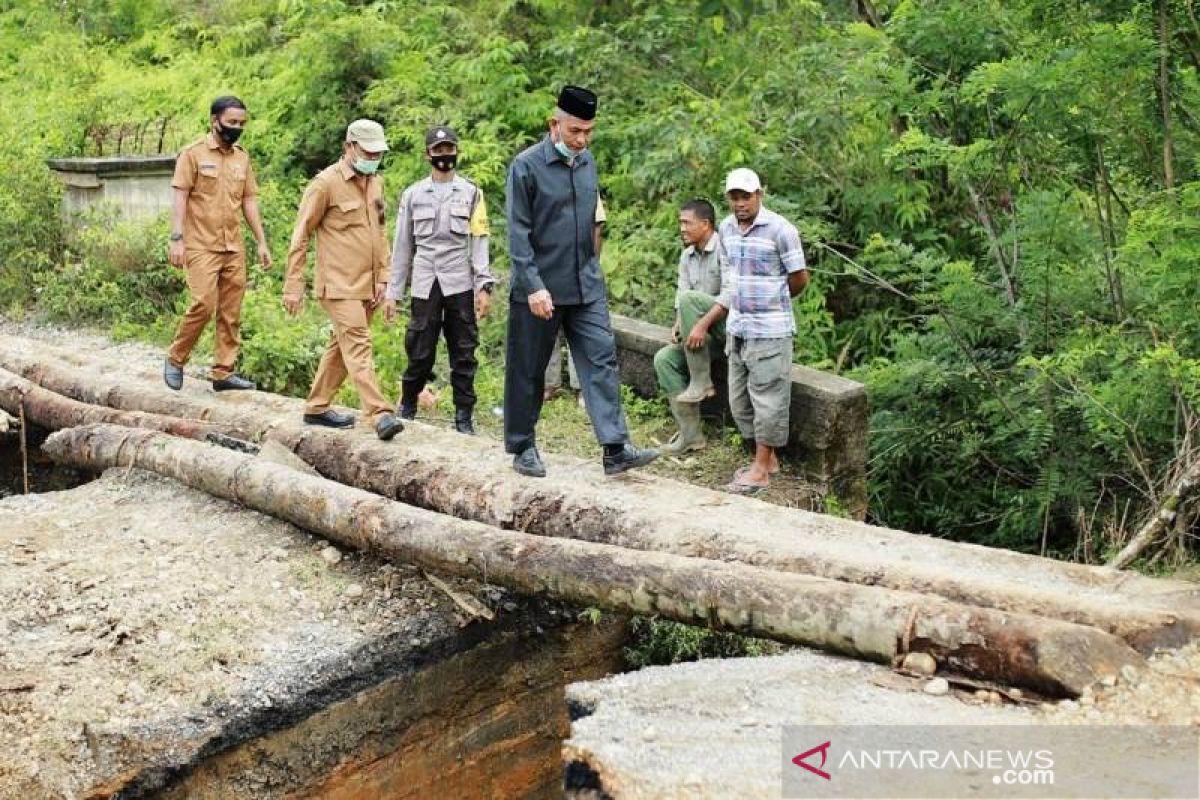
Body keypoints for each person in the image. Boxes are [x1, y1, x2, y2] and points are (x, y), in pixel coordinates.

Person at [503, 85, 658, 477]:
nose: (582, 139)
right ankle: (522, 446)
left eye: (589, 131)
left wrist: (594, 269)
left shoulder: (586, 162)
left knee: (601, 359)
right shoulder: (526, 166)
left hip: (585, 284)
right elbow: (518, 235)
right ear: (553, 124)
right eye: (575, 131)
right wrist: (533, 285)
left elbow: (592, 220)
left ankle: (615, 447)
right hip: (540, 287)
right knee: (529, 368)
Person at [282, 119, 403, 441]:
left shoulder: (375, 182)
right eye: (368, 151)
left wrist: (385, 278)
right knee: (359, 344)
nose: (374, 157)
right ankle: (379, 413)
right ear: (349, 147)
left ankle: (317, 407)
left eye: (378, 152)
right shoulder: (325, 184)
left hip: (368, 284)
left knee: (342, 347)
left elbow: (380, 232)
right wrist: (293, 284)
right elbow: (300, 236)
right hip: (338, 285)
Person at [689, 168, 808, 494]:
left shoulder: (781, 230)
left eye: (746, 196)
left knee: (768, 399)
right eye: (734, 197)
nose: (740, 203)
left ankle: (760, 470)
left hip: (770, 329)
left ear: (760, 194)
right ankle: (767, 460)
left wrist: (771, 298)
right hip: (738, 326)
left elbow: (799, 278)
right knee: (740, 399)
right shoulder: (726, 229)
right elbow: (731, 275)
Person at [384, 125, 494, 435]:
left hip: (459, 278)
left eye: (449, 149)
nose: (445, 156)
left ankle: (464, 415)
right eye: (438, 150)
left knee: (463, 349)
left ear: (456, 151)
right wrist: (394, 291)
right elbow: (403, 245)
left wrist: (483, 284)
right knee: (420, 346)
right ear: (428, 154)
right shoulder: (413, 194)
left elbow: (479, 240)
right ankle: (408, 403)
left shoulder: (472, 192)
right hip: (425, 280)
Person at [163, 95, 271, 392]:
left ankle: (223, 372)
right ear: (215, 121)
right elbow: (180, 195)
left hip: (233, 245)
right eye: (231, 122)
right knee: (203, 303)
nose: (236, 128)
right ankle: (175, 358)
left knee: (231, 310)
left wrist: (261, 241)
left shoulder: (242, 157)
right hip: (200, 243)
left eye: (241, 123)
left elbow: (249, 200)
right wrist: (176, 238)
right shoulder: (193, 154)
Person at [652, 198, 729, 454]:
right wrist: (678, 325)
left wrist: (700, 325)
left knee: (690, 300)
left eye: (687, 223)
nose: (682, 228)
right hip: (700, 338)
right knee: (664, 359)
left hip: (725, 330)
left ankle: (701, 381)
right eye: (680, 223)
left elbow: (730, 297)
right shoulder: (687, 256)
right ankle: (691, 437)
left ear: (705, 224)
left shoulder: (725, 249)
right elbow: (681, 294)